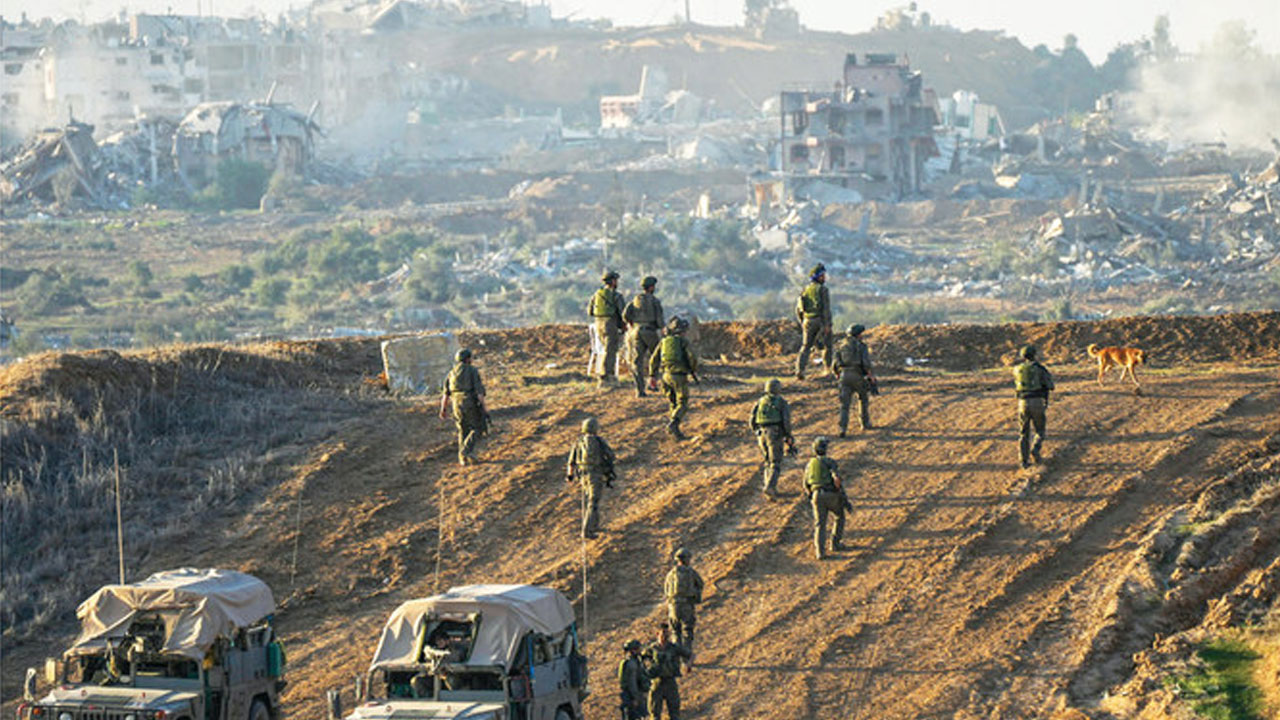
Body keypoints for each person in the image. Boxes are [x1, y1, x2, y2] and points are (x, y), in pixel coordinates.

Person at [565, 416, 616, 538]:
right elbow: (611, 455)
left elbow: (571, 462)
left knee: (591, 500)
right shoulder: (599, 441)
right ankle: (587, 531)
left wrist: (570, 476)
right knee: (593, 502)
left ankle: (594, 525)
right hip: (596, 474)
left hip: (583, 475)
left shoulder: (578, 442)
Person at [648, 316, 697, 440]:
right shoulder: (683, 342)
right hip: (679, 376)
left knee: (673, 403)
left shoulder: (664, 342)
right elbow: (692, 357)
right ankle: (674, 424)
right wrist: (692, 369)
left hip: (665, 376)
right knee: (683, 403)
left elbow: (653, 360)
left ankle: (674, 430)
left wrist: (652, 375)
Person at [439, 348, 487, 466]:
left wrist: (443, 409)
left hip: (456, 404)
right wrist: (484, 408)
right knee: (478, 428)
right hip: (469, 402)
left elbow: (445, 394)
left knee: (462, 430)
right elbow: (479, 391)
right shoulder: (472, 370)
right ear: (467, 359)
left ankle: (463, 459)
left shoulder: (451, 373)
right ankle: (465, 451)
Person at [749, 379, 794, 496]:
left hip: (761, 433)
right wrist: (788, 435)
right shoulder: (781, 402)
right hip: (774, 433)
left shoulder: (760, 401)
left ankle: (767, 485)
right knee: (775, 462)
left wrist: (756, 430)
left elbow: (752, 419)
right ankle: (770, 487)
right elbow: (786, 421)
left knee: (767, 461)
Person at [1013, 344, 1055, 469]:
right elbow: (1050, 386)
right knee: (1040, 431)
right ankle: (1035, 448)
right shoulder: (1040, 369)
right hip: (1037, 402)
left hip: (1022, 403)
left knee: (1023, 433)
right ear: (1034, 355)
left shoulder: (1016, 369)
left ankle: (1023, 461)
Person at [622, 275, 664, 398]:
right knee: (656, 356)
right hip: (650, 331)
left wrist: (632, 324)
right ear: (651, 287)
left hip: (636, 331)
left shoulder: (635, 300)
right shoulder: (655, 301)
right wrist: (662, 329)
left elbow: (625, 315)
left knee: (637, 361)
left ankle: (639, 390)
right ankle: (653, 382)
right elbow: (660, 320)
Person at [804, 437, 846, 560]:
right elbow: (836, 478)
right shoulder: (829, 462)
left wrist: (811, 495)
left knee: (819, 524)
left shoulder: (810, 464)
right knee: (839, 516)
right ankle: (835, 543)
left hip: (816, 495)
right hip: (830, 493)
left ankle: (820, 552)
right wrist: (839, 492)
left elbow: (805, 483)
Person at [832, 324, 876, 436]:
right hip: (857, 375)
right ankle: (864, 423)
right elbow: (866, 364)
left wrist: (838, 374)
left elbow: (835, 363)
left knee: (844, 405)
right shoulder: (861, 346)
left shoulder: (840, 345)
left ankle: (842, 428)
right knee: (863, 399)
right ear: (858, 334)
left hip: (844, 376)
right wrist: (871, 376)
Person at [644, 623, 691, 720]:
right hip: (657, 683)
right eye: (663, 633)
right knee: (654, 715)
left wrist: (688, 665)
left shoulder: (674, 647)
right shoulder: (652, 649)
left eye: (667, 634)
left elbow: (690, 654)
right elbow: (640, 659)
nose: (665, 636)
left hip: (670, 682)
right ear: (657, 634)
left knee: (674, 714)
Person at [794, 263, 833, 379]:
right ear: (817, 277)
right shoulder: (823, 290)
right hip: (820, 321)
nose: (824, 278)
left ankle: (800, 370)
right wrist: (827, 325)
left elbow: (798, 308)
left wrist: (802, 321)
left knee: (805, 346)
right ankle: (827, 370)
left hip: (807, 320)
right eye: (822, 276)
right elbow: (826, 309)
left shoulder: (805, 290)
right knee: (827, 346)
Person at [663, 548, 704, 657]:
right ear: (686, 559)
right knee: (687, 631)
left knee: (675, 632)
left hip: (673, 606)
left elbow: (666, 590)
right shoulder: (690, 572)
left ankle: (676, 657)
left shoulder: (670, 574)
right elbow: (700, 584)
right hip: (686, 605)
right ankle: (686, 657)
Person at [588, 269, 625, 387]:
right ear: (613, 281)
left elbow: (590, 311)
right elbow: (623, 313)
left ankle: (604, 374)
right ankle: (606, 376)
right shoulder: (616, 295)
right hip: (610, 323)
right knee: (611, 350)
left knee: (605, 349)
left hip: (598, 324)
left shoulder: (596, 294)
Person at [618, 640, 649, 720]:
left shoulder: (633, 662)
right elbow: (632, 683)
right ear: (633, 650)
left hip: (631, 695)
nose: (640, 650)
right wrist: (635, 698)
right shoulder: (632, 664)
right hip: (631, 696)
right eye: (638, 649)